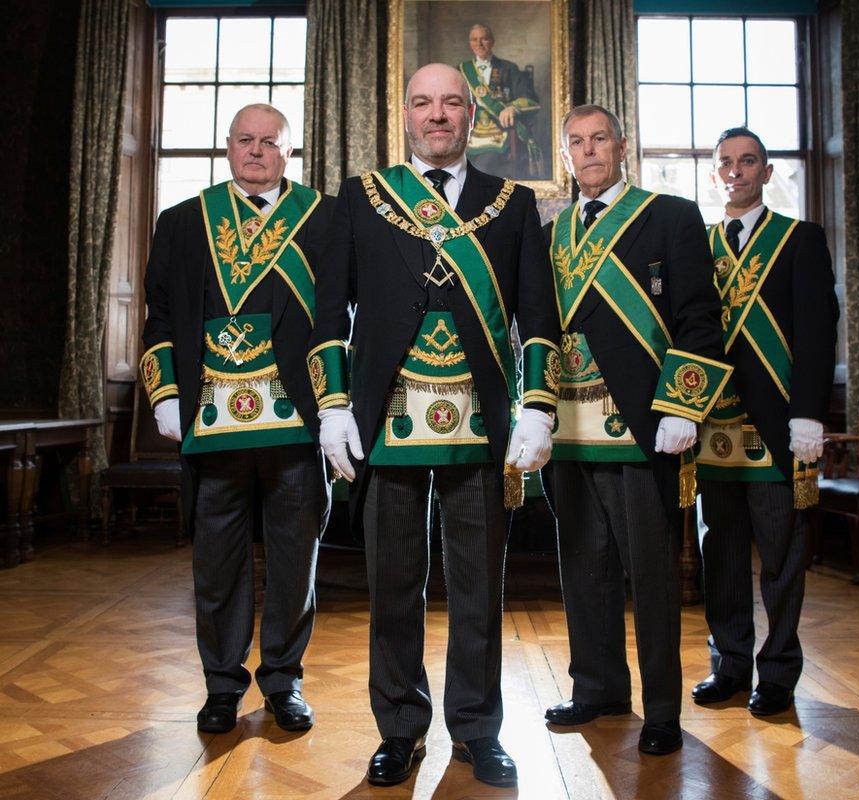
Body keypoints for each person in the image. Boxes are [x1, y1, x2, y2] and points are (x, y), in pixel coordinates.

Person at [308, 63, 560, 787]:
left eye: (452, 102)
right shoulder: (362, 197)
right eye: (423, 102)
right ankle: (399, 728)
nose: (437, 115)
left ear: (472, 112)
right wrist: (331, 407)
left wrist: (537, 405)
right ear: (406, 113)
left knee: (481, 585)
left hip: (480, 424)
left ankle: (478, 731)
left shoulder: (511, 203)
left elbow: (535, 315)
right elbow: (332, 311)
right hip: (384, 420)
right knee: (392, 583)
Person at [140, 103, 333, 735]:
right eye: (244, 140)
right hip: (212, 421)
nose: (256, 151)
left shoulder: (324, 219)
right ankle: (221, 685)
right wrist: (165, 394)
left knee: (293, 559)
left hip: (298, 423)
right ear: (228, 147)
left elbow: (346, 318)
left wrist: (341, 406)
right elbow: (161, 316)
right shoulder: (181, 223)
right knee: (216, 561)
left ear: (289, 153)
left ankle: (283, 682)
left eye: (269, 142)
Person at [543, 104, 731, 755]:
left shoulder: (671, 216)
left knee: (652, 577)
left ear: (622, 147)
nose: (589, 151)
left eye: (600, 139)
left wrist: (684, 406)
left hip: (644, 429)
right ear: (565, 156)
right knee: (583, 569)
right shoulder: (554, 231)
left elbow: (702, 319)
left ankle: (661, 710)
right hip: (568, 430)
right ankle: (597, 688)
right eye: (577, 143)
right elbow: (536, 331)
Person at [692, 127, 838, 716]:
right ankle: (728, 665)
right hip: (713, 426)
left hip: (778, 426)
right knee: (720, 557)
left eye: (747, 161)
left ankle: (776, 672)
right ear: (714, 173)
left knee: (780, 558)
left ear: (766, 172)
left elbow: (817, 331)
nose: (736, 170)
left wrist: (808, 414)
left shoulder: (799, 240)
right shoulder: (698, 244)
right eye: (725, 162)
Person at [459, 23, 542, 179]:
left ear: (492, 41)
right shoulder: (461, 71)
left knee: (480, 169)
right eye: (475, 39)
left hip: (500, 133)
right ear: (470, 43)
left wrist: (512, 108)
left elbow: (530, 99)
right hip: (469, 135)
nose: (479, 44)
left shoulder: (508, 68)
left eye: (484, 39)